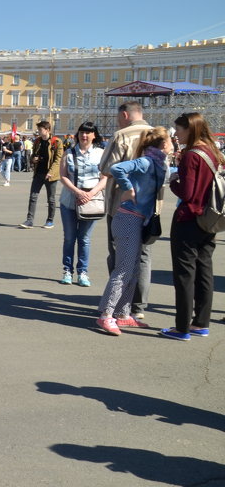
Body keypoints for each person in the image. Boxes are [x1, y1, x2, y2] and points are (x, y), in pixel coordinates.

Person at [95, 127, 170, 336]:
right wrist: (128, 188)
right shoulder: (147, 161)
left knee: (134, 269)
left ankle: (122, 313)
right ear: (163, 144)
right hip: (128, 218)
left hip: (137, 220)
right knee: (124, 269)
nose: (173, 142)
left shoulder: (158, 163)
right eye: (170, 140)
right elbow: (117, 169)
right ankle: (106, 315)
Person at [163, 112, 224, 340]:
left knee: (184, 275)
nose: (176, 134)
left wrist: (174, 182)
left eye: (178, 129)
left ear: (190, 129)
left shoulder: (191, 156)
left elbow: (187, 194)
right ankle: (201, 323)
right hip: (208, 219)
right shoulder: (212, 152)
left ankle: (182, 328)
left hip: (188, 219)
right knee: (204, 272)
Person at [98, 100, 156, 323]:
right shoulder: (158, 135)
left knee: (119, 256)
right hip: (151, 207)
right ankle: (138, 306)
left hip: (122, 206)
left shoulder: (122, 135)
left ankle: (115, 307)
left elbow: (105, 168)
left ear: (124, 115)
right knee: (144, 257)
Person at [57, 121, 104, 286]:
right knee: (69, 238)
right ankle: (67, 270)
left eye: (88, 133)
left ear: (94, 135)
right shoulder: (69, 153)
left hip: (91, 202)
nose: (84, 136)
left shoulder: (100, 153)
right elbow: (62, 175)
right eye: (82, 132)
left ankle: (83, 272)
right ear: (77, 135)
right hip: (69, 201)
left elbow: (105, 177)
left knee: (84, 238)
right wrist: (77, 191)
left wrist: (90, 193)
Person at [20, 121, 62, 228]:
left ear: (47, 130)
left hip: (51, 175)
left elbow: (58, 160)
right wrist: (33, 159)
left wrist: (51, 172)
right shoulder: (37, 141)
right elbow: (33, 156)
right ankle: (29, 220)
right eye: (38, 129)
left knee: (51, 199)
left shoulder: (56, 142)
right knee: (33, 197)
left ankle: (50, 220)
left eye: (40, 130)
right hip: (38, 173)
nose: (38, 131)